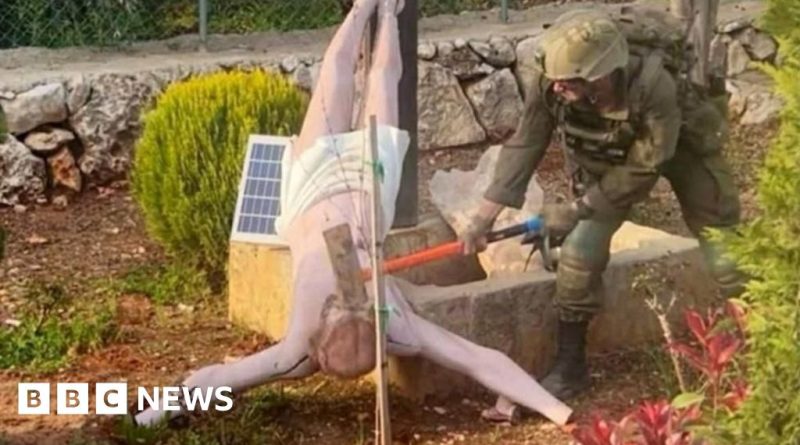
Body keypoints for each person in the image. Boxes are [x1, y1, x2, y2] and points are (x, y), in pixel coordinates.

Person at [133, 0, 574, 428]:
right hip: (361, 186)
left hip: (316, 189)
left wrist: (562, 416)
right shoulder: (370, 333)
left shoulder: (321, 345)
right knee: (370, 79)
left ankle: (379, 9)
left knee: (345, 81)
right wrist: (156, 411)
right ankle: (374, 9)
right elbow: (480, 360)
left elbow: (219, 377)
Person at [461, 8, 744, 402]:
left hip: (679, 147)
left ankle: (756, 336)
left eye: (568, 81)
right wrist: (482, 217)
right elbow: (525, 143)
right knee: (579, 251)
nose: (557, 88)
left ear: (600, 74)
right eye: (556, 80)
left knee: (721, 238)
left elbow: (648, 163)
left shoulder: (653, 85)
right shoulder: (552, 83)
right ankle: (571, 366)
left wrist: (577, 208)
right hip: (611, 159)